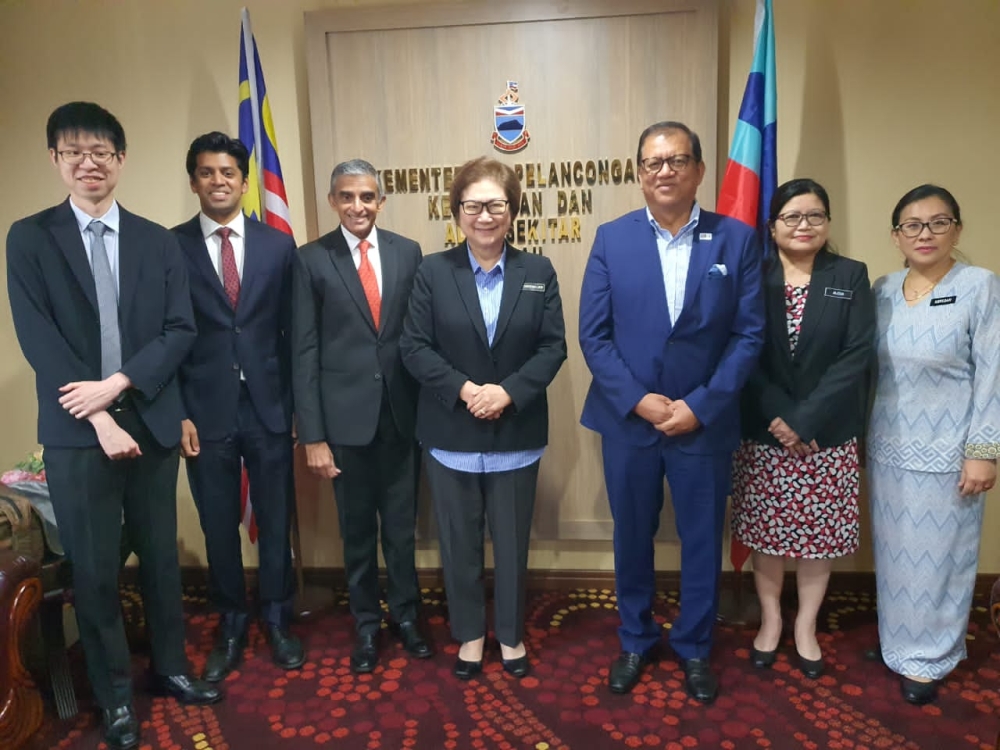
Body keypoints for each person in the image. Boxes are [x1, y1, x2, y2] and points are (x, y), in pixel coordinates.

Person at [5, 102, 219, 750]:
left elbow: (180, 330)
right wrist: (98, 416)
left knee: (159, 562)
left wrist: (124, 386)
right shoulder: (30, 237)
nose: (88, 163)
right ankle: (115, 698)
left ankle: (173, 668)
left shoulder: (158, 241)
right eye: (74, 152)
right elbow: (39, 341)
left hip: (150, 423)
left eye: (100, 151)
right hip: (77, 436)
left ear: (120, 160)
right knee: (96, 572)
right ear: (56, 161)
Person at [579, 121, 764, 702]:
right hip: (629, 421)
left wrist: (700, 406)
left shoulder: (736, 240)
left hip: (701, 426)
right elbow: (593, 335)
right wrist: (637, 399)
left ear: (699, 171)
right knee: (631, 536)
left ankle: (694, 646)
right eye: (653, 162)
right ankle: (635, 638)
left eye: (677, 160)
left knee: (701, 539)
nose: (664, 171)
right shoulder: (611, 238)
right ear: (638, 174)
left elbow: (749, 335)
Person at [400, 157, 566, 680]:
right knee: (459, 543)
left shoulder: (537, 271)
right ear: (457, 212)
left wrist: (507, 393)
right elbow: (414, 346)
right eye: (473, 205)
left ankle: (511, 637)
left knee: (513, 544)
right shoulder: (432, 270)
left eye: (496, 204)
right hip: (451, 432)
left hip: (515, 431)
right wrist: (469, 390)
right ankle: (471, 634)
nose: (485, 215)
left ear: (513, 210)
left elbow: (553, 346)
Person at [731, 178, 875, 678]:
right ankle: (770, 621)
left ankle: (805, 626)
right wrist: (783, 419)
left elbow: (856, 355)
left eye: (814, 216)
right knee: (768, 536)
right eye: (791, 217)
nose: (803, 226)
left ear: (828, 223)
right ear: (771, 227)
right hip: (765, 431)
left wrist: (806, 420)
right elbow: (744, 352)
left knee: (819, 539)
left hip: (826, 435)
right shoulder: (755, 276)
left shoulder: (850, 276)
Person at [173, 131, 303, 682]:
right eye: (207, 172)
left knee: (276, 520)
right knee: (218, 523)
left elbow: (295, 334)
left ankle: (276, 616)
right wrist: (177, 412)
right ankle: (230, 620)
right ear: (194, 181)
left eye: (228, 172)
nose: (219, 181)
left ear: (245, 182)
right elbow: (166, 335)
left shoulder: (276, 245)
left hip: (270, 408)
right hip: (205, 414)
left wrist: (299, 410)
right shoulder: (169, 246)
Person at [292, 159, 430, 673]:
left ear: (381, 200)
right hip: (344, 428)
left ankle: (409, 617)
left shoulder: (407, 252)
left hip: (401, 419)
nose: (358, 206)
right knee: (356, 535)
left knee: (400, 529)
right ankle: (367, 626)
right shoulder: (311, 260)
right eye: (347, 197)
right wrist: (313, 436)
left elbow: (418, 339)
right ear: (333, 201)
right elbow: (303, 353)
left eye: (368, 197)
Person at [868, 184, 999, 705]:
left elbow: (993, 374)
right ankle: (897, 643)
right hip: (888, 448)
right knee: (897, 555)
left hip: (950, 452)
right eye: (912, 225)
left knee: (942, 557)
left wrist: (983, 451)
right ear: (896, 236)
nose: (925, 234)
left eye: (938, 223)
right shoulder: (882, 288)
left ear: (957, 230)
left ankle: (931, 657)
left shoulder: (980, 286)